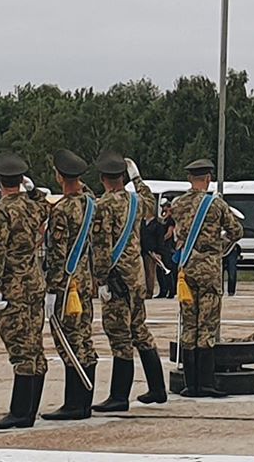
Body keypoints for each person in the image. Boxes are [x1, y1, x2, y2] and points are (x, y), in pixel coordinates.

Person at [90, 151, 166, 412]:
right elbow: (151, 201)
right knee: (139, 330)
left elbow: (101, 246)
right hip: (135, 277)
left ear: (103, 178)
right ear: (122, 177)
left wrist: (101, 279)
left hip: (116, 279)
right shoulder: (136, 201)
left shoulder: (104, 205)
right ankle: (157, 387)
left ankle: (119, 396)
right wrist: (138, 179)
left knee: (120, 336)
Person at [0, 149, 51, 431]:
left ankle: (20, 412)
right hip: (34, 283)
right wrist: (32, 190)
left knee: (20, 348)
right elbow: (45, 205)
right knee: (34, 345)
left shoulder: (0, 211)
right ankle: (30, 409)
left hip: (13, 286)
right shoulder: (32, 206)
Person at [170, 158, 242, 398]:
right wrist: (219, 245)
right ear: (208, 179)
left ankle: (190, 384)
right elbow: (236, 231)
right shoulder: (216, 204)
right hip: (209, 270)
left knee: (189, 324)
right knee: (207, 325)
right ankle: (206, 383)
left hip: (186, 269)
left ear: (190, 178)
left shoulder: (178, 204)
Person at [43, 149, 99, 421]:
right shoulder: (90, 202)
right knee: (83, 337)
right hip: (85, 280)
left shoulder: (62, 210)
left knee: (68, 339)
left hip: (67, 285)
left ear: (59, 176)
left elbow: (58, 254)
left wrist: (52, 289)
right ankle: (84, 401)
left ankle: (74, 403)